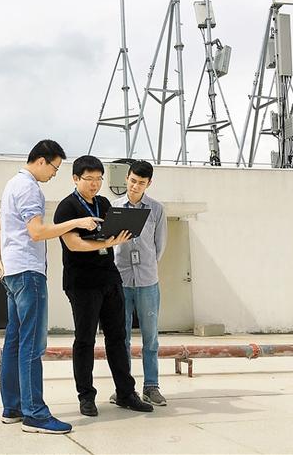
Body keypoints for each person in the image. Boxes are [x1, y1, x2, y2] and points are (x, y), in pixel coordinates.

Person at [0, 140, 102, 435]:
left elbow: (0, 228)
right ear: (41, 160)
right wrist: (77, 222)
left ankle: (13, 407)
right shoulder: (29, 188)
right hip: (29, 273)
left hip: (13, 272)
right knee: (32, 344)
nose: (54, 174)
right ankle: (35, 414)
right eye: (54, 167)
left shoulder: (11, 184)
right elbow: (38, 232)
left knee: (15, 341)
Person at [53, 155, 153, 417]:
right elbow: (73, 244)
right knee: (85, 339)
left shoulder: (104, 203)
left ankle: (126, 393)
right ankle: (86, 397)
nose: (95, 184)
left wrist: (119, 235)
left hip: (110, 277)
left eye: (99, 179)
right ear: (75, 179)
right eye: (89, 179)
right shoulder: (66, 208)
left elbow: (111, 232)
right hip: (82, 282)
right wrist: (107, 243)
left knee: (118, 338)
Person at [110, 160, 168, 406]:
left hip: (147, 281)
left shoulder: (157, 209)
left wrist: (147, 266)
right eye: (132, 181)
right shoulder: (113, 207)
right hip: (121, 280)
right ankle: (124, 389)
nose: (135, 186)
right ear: (126, 178)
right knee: (121, 338)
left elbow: (159, 246)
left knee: (150, 338)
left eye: (141, 183)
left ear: (148, 184)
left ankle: (151, 386)